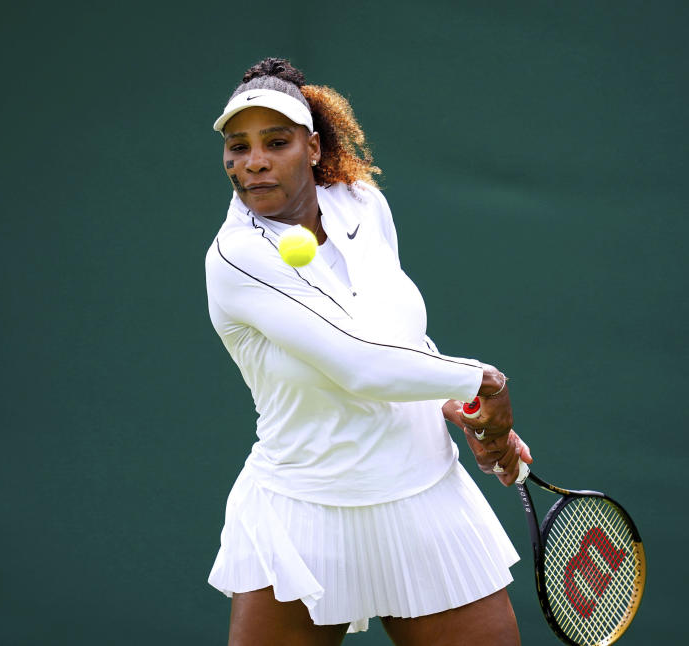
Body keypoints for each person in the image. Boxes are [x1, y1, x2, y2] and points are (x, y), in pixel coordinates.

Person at [204, 57, 533, 646]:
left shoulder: (360, 201)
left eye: (275, 142)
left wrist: (459, 410)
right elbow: (359, 365)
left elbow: (400, 343)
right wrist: (482, 384)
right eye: (237, 146)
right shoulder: (237, 256)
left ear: (312, 145)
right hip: (304, 514)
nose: (252, 161)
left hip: (424, 498)